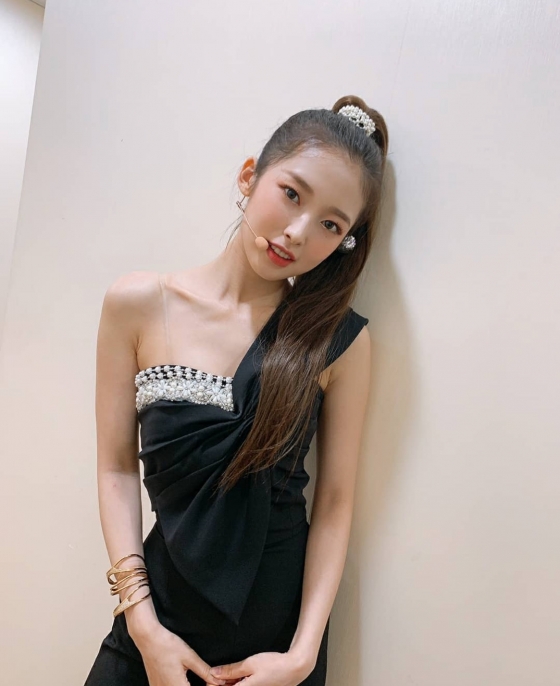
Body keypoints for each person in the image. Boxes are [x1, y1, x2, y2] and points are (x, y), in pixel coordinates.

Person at [84, 94, 389, 686]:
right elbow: (115, 468)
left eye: (331, 225)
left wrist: (301, 656)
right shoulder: (137, 304)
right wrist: (142, 625)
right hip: (155, 622)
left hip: (274, 650)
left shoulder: (338, 342)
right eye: (292, 194)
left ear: (345, 242)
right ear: (250, 177)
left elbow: (334, 501)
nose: (298, 233)